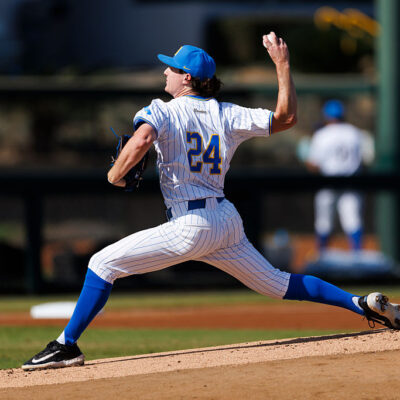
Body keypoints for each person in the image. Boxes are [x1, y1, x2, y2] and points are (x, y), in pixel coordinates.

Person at [22, 33, 400, 370]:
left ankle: (66, 346)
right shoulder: (227, 113)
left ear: (187, 78)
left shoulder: (163, 109)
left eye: (171, 68)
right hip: (225, 220)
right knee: (278, 283)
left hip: (190, 224)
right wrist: (283, 66)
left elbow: (139, 141)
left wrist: (114, 174)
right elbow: (286, 119)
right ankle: (360, 303)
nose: (165, 73)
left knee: (102, 263)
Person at [306, 100, 364, 251]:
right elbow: (365, 159)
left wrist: (305, 156)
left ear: (326, 116)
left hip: (328, 181)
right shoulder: (355, 132)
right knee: (352, 220)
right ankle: (357, 256)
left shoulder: (322, 134)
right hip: (350, 181)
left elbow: (314, 164)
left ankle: (322, 256)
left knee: (323, 221)